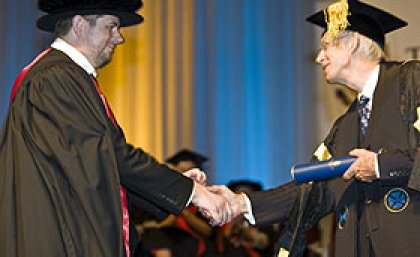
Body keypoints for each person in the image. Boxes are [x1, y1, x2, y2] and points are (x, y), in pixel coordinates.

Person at [0, 1, 233, 257]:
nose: (119, 38)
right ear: (79, 25)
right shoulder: (56, 78)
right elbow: (111, 155)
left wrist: (176, 184)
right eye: (111, 27)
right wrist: (193, 194)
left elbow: (99, 170)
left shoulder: (63, 76)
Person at [211, 1, 420, 257]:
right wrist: (241, 203)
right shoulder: (345, 126)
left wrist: (380, 166)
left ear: (353, 42)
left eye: (326, 46)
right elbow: (313, 189)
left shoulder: (412, 82)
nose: (319, 57)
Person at [135, 149, 212, 257]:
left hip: (189, 243)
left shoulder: (204, 200)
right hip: (158, 239)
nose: (186, 177)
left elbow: (207, 231)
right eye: (181, 172)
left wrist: (183, 210)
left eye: (190, 172)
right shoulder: (160, 195)